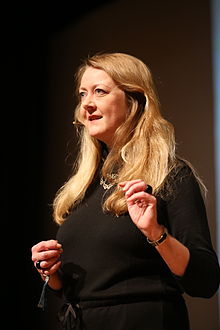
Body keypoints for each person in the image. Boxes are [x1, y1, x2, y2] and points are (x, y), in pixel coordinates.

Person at [31, 52, 220, 330]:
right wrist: (54, 273)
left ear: (134, 101)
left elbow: (205, 281)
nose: (87, 105)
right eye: (82, 94)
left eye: (100, 91)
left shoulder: (170, 174)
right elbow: (87, 287)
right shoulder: (82, 187)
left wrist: (155, 233)